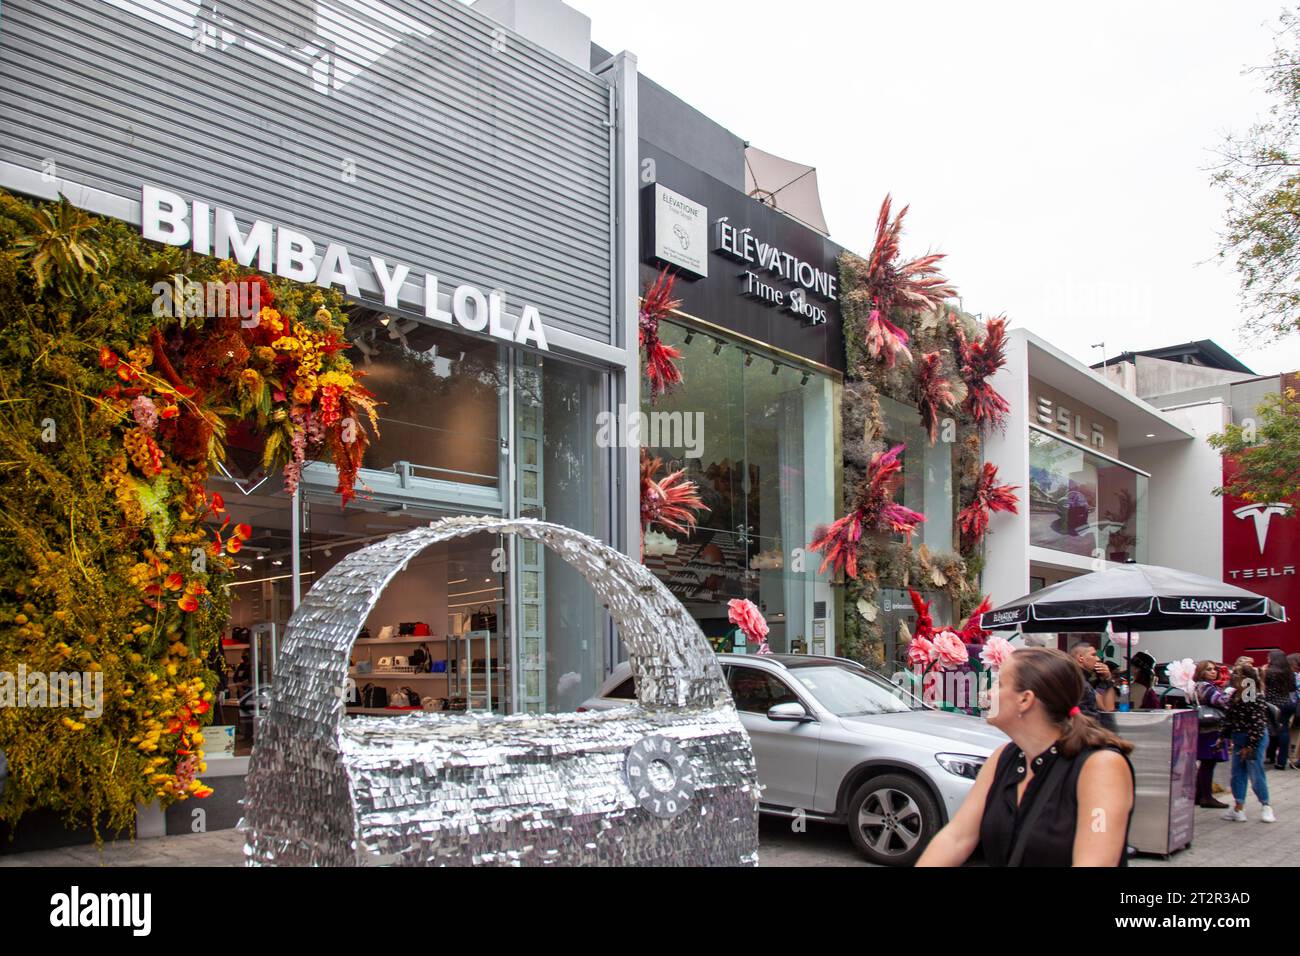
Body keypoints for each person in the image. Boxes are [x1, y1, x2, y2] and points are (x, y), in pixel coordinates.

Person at [917, 647, 1135, 867]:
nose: (989, 694)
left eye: (999, 684)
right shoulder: (1003, 757)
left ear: (1025, 700)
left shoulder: (1100, 767)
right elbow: (956, 837)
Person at [1222, 662, 1276, 822]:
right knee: (1237, 773)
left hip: (1253, 739)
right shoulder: (1234, 696)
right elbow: (1229, 719)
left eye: (1237, 674)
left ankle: (1266, 806)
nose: (1233, 677)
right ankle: (1238, 808)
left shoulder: (1254, 697)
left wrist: (1250, 746)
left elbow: (1257, 724)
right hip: (1240, 738)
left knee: (1255, 772)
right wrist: (1222, 737)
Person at [1193, 660, 1230, 809]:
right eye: (1209, 669)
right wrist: (1230, 692)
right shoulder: (1206, 687)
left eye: (1214, 669)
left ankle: (1200, 795)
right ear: (1201, 672)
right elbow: (1221, 701)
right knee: (1208, 763)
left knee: (1206, 763)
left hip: (1205, 728)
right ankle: (1206, 797)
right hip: (1210, 729)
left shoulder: (1199, 686)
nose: (1213, 671)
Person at [1264, 650, 1295, 770]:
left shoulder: (1269, 672)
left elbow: (1264, 687)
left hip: (1272, 705)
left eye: (1268, 657)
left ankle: (1270, 756)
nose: (1267, 659)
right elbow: (1292, 689)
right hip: (1287, 703)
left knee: (1270, 729)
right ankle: (1282, 761)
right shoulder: (1289, 672)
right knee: (1284, 730)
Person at [1069, 641, 1116, 714]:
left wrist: (1107, 679)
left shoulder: (1079, 678)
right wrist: (1107, 679)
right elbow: (1105, 708)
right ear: (1081, 657)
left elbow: (1107, 708)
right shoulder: (1077, 680)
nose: (1098, 659)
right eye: (1093, 655)